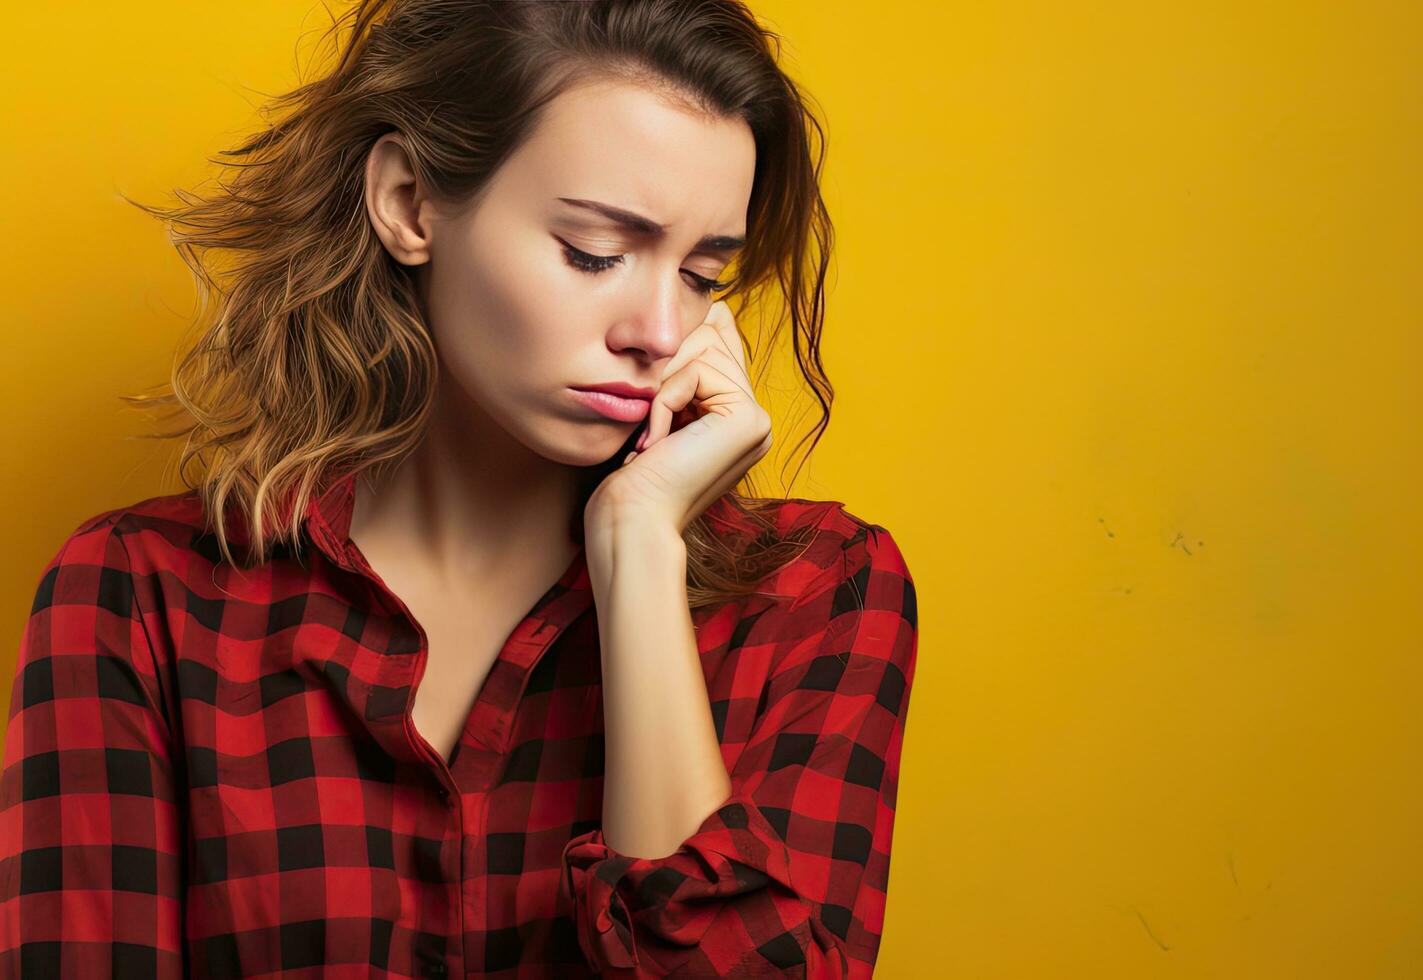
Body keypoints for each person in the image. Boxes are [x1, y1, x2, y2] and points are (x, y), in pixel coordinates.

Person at [0, 1, 918, 977]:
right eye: (594, 252)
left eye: (700, 274)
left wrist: (640, 551)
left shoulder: (820, 597)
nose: (658, 328)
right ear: (408, 203)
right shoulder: (145, 596)